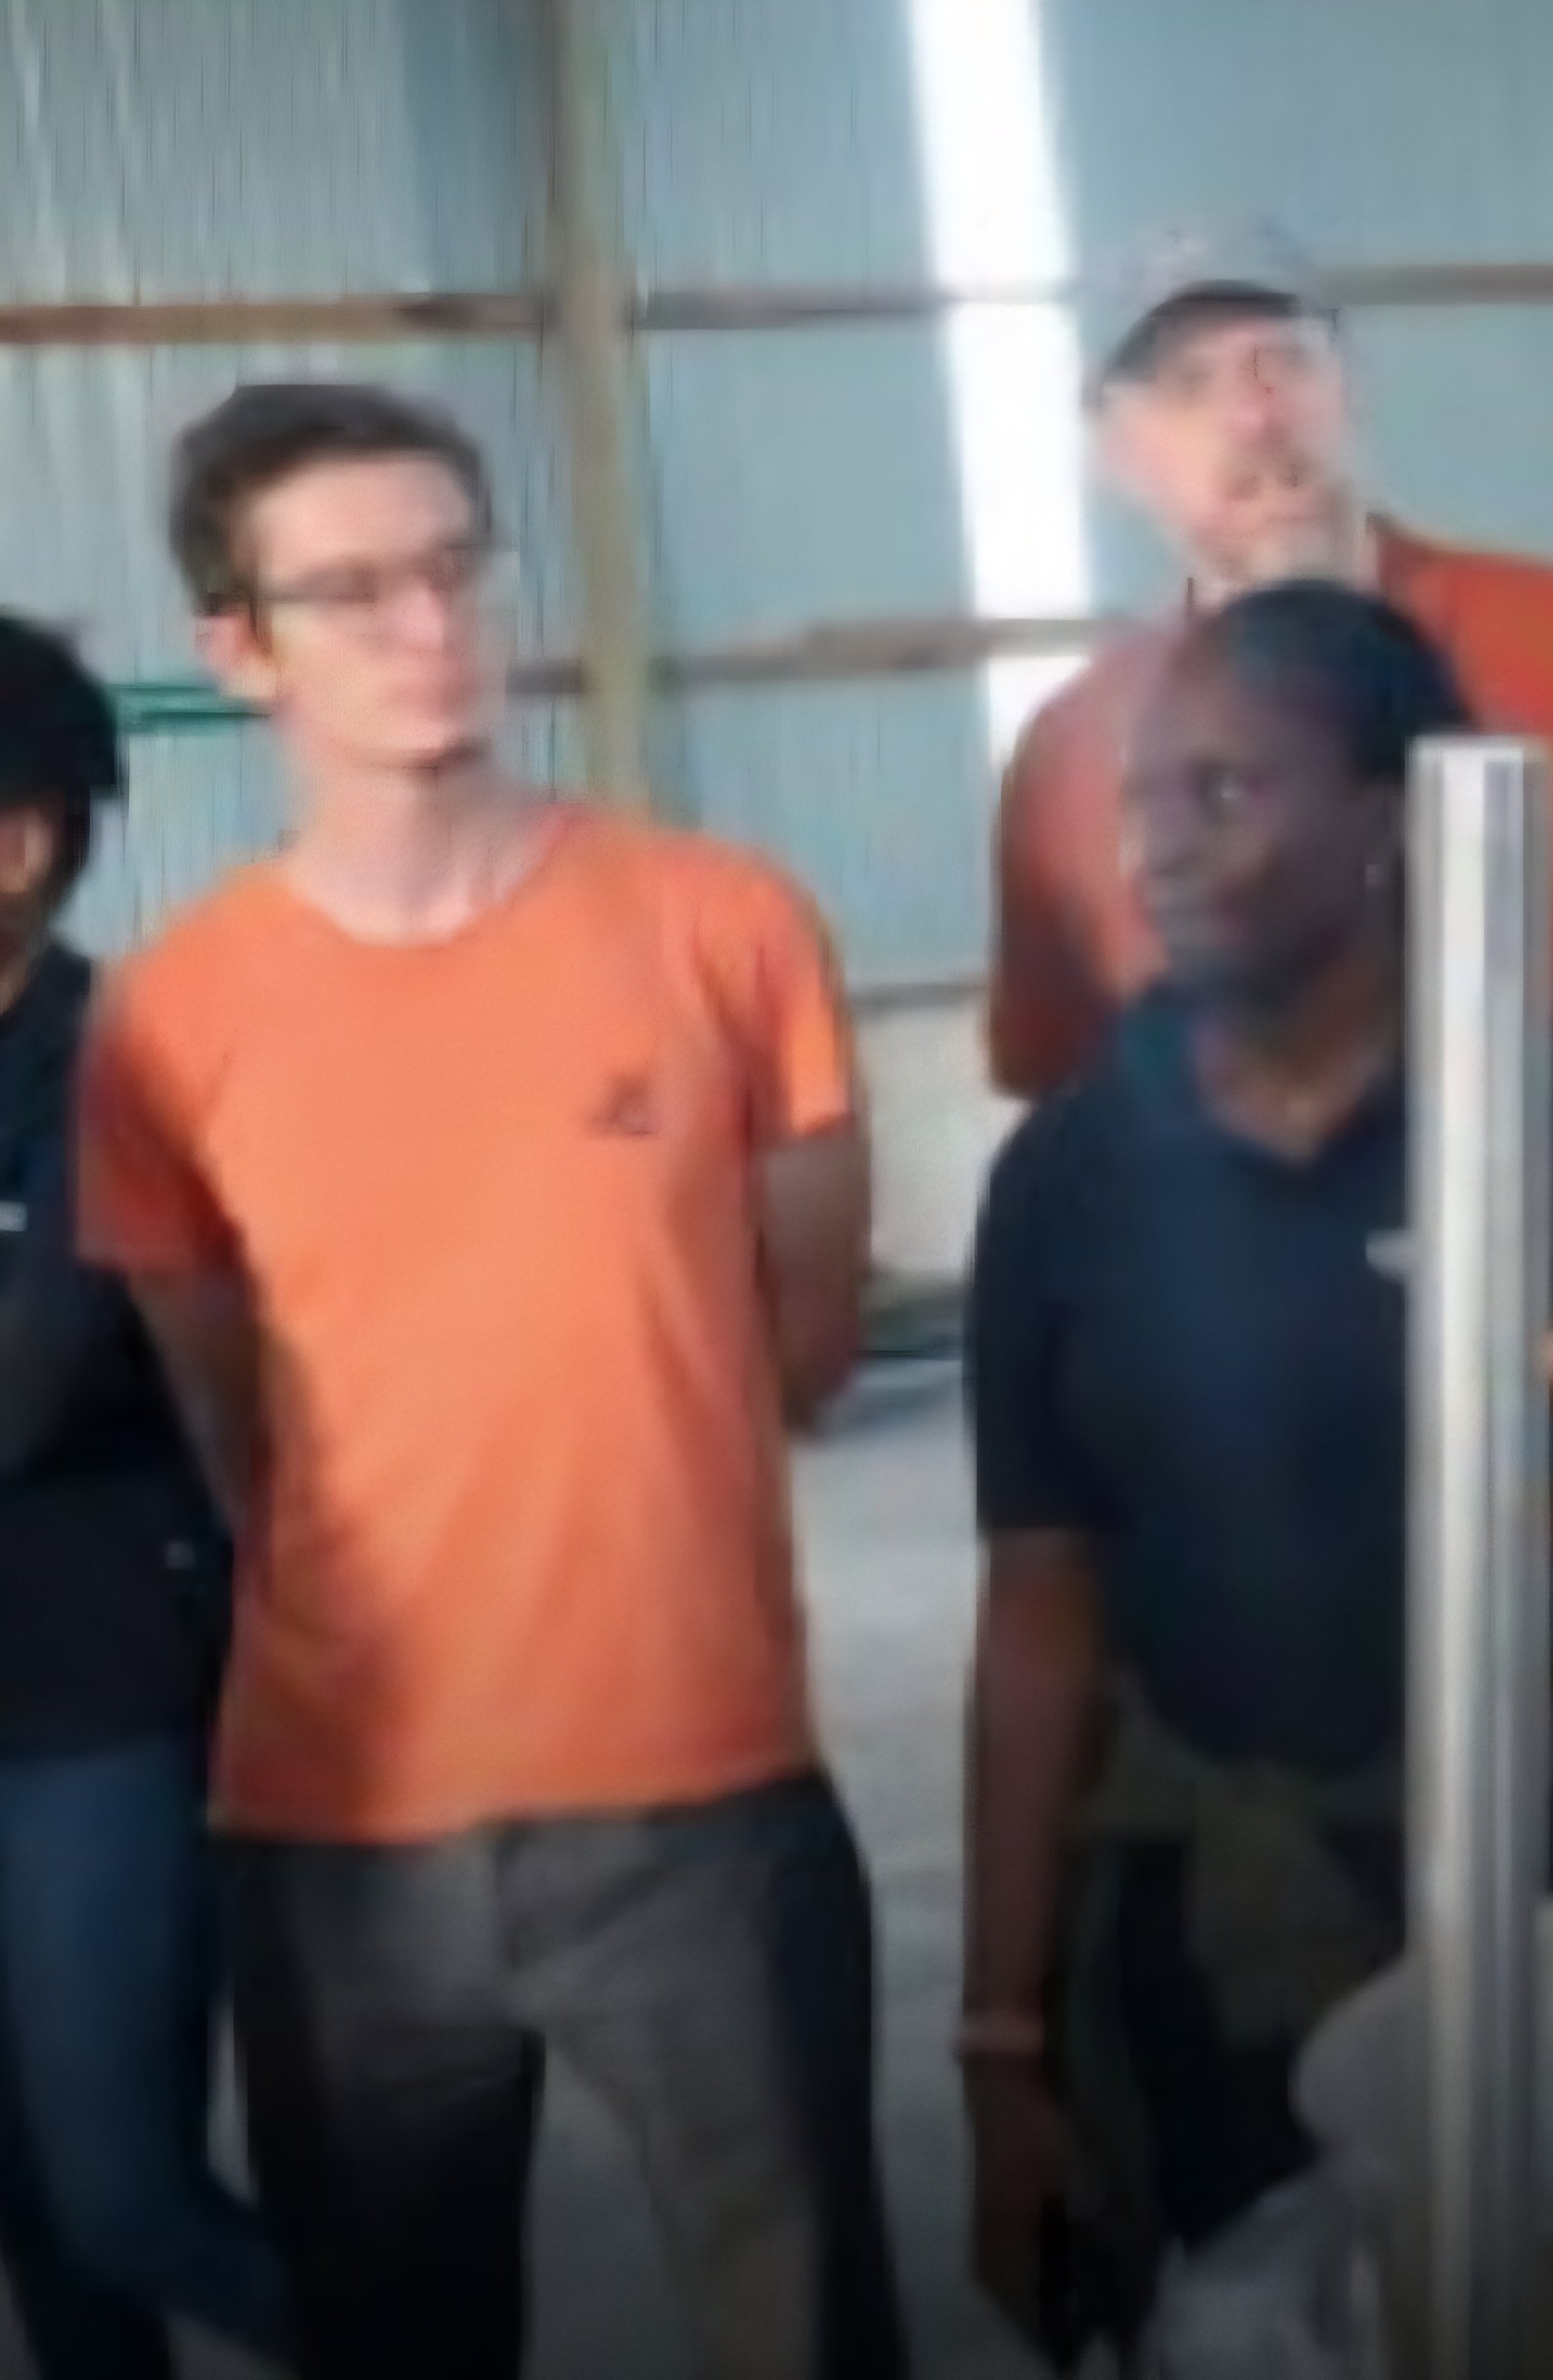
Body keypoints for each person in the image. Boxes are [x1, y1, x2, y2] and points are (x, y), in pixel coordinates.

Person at [75, 384, 901, 2380]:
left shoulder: (725, 928)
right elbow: (232, 1424)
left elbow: (809, 1339)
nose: (428, 624)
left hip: (705, 1799)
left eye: (454, 565)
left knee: (809, 2337)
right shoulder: (172, 1023)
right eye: (350, 590)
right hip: (346, 1833)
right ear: (240, 649)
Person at [953, 584, 1553, 2362]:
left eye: (1226, 792)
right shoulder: (1068, 1177)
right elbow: (1040, 1613)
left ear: (1385, 819)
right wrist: (1002, 2046)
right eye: (1143, 798)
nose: (1157, 849)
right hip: (1224, 1944)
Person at [986, 218, 1553, 1121]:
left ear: (1346, 389)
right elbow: (1060, 1087)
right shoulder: (1071, 762)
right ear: (1111, 452)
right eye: (1188, 385)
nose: (1256, 415)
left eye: (1284, 363)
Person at [0, 612, 292, 2380]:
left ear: (17, 841)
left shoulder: (111, 1069)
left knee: (121, 2186)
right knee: (31, 2207)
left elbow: (19, 1390)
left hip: (95, 1700)